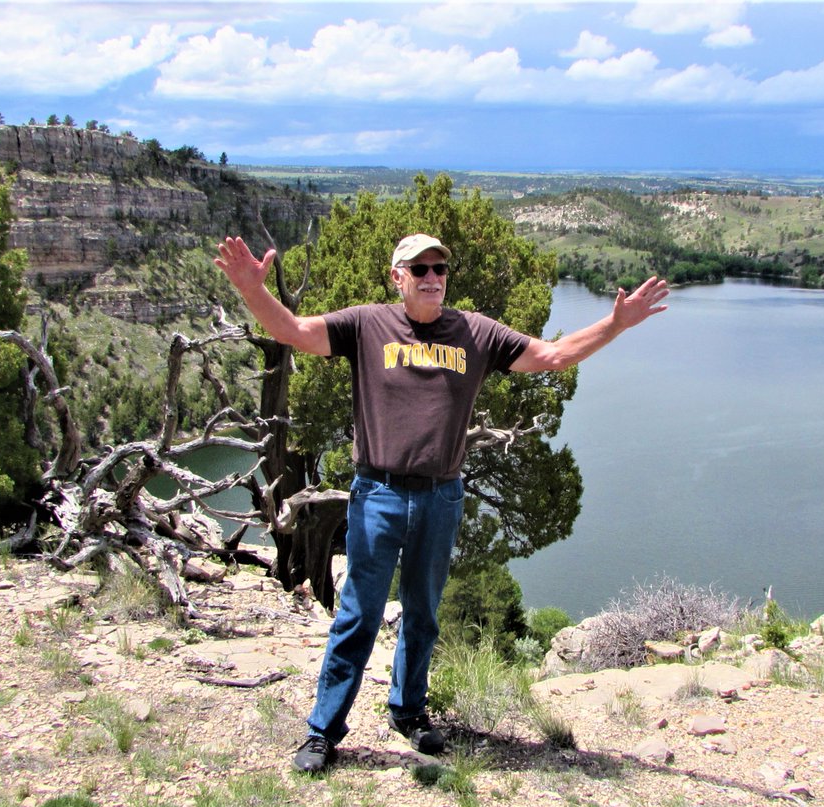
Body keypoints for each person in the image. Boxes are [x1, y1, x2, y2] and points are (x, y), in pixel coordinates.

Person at [215, 232, 669, 772]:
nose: (433, 277)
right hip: (378, 494)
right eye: (420, 268)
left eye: (440, 269)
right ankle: (323, 731)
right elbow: (290, 330)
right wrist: (250, 290)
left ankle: (409, 712)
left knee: (423, 615)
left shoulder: (474, 332)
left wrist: (615, 324)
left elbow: (551, 357)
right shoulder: (364, 325)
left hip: (440, 497)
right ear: (397, 276)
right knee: (358, 616)